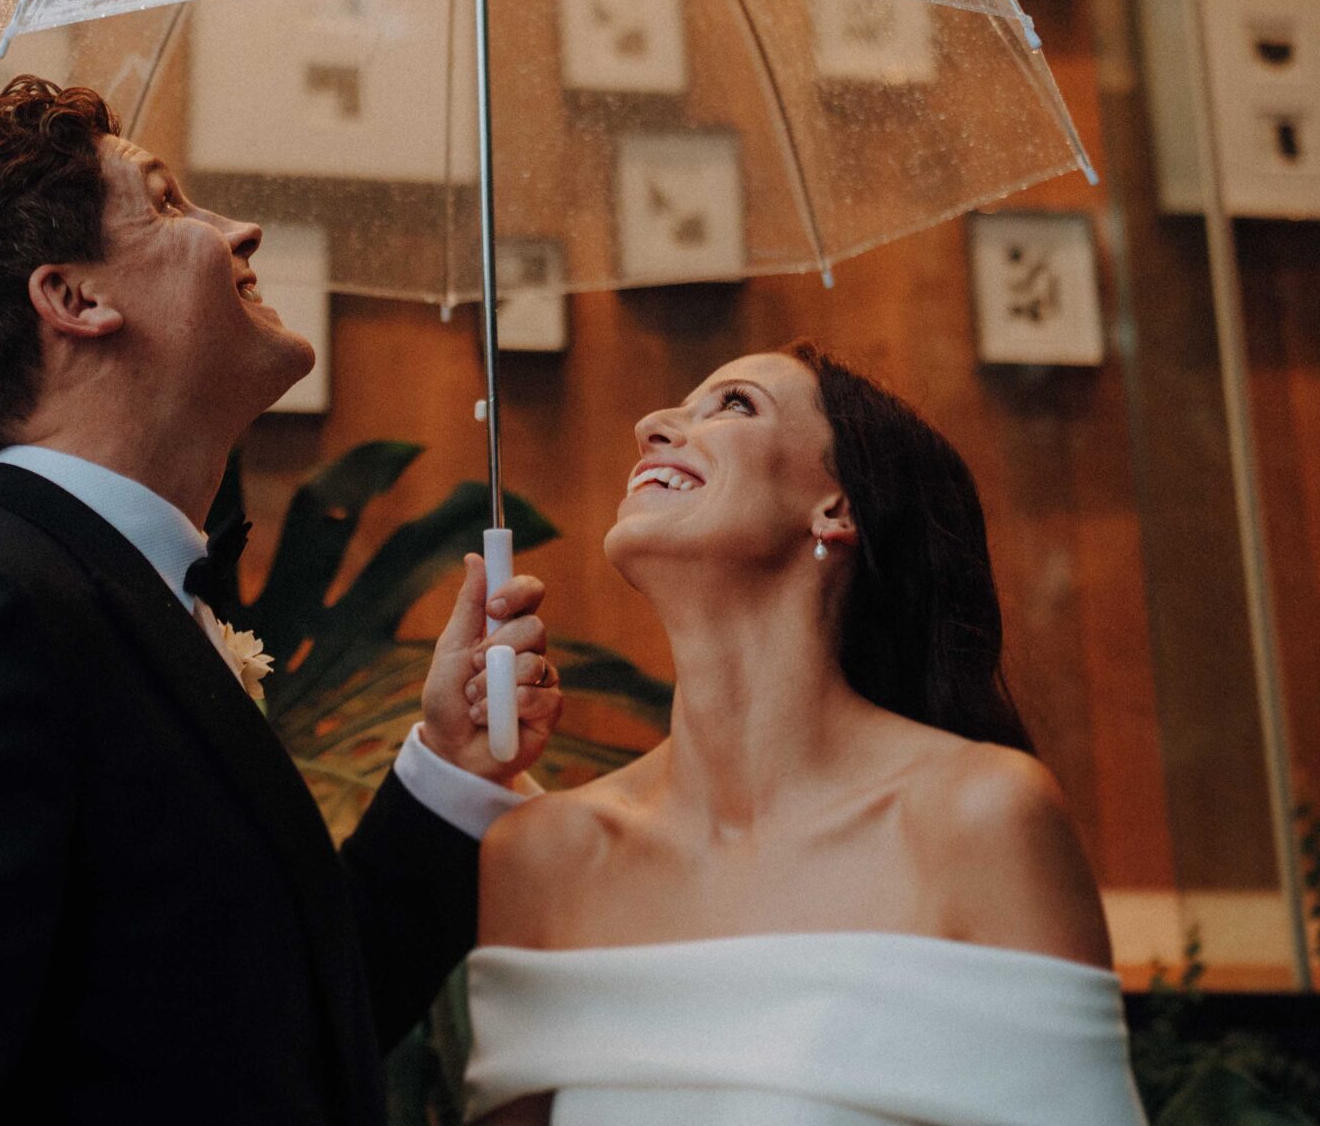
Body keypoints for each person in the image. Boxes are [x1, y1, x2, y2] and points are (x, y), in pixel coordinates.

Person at [0, 77, 564, 1126]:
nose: (244, 229)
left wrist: (451, 769)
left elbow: (260, 1040)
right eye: (170, 203)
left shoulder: (110, 601)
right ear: (75, 300)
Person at [463, 343, 1144, 1126]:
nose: (653, 424)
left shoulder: (978, 817)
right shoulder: (543, 857)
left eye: (736, 404)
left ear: (838, 507)